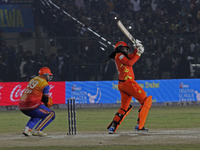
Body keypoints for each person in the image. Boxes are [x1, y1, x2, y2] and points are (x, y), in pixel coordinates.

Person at [107, 40, 152, 134]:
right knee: (146, 101)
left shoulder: (122, 56)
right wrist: (139, 54)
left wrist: (137, 49)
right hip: (128, 83)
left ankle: (113, 127)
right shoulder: (119, 55)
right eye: (125, 48)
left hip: (122, 84)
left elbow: (132, 57)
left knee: (124, 107)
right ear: (119, 48)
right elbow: (130, 63)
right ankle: (140, 126)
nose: (127, 50)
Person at [19, 67, 55, 136]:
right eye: (48, 75)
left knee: (38, 114)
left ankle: (27, 129)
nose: (50, 77)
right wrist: (47, 103)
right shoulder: (45, 84)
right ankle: (38, 130)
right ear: (45, 75)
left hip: (22, 105)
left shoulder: (33, 79)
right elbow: (45, 100)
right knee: (51, 114)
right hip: (32, 105)